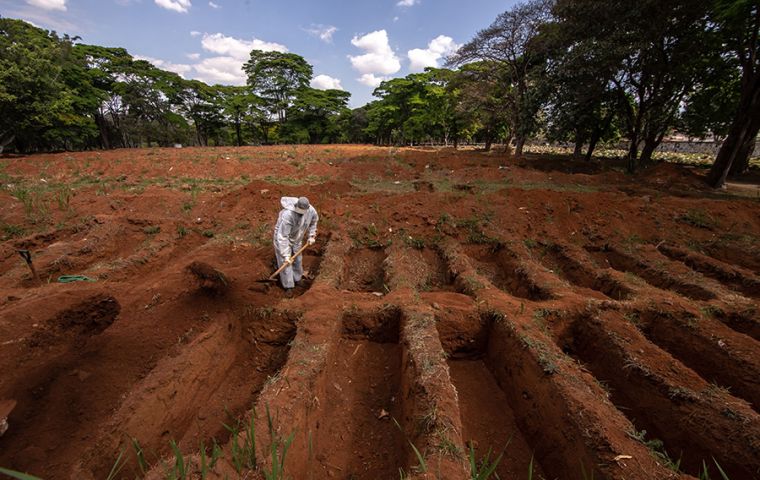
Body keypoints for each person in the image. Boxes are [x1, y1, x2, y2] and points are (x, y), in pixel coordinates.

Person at [273, 196, 318, 292]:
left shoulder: (311, 211)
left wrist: (311, 235)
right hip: (283, 238)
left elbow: (313, 222)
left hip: (297, 238)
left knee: (297, 259)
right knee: (286, 263)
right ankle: (288, 286)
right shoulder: (288, 215)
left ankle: (297, 279)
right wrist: (285, 255)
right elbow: (283, 236)